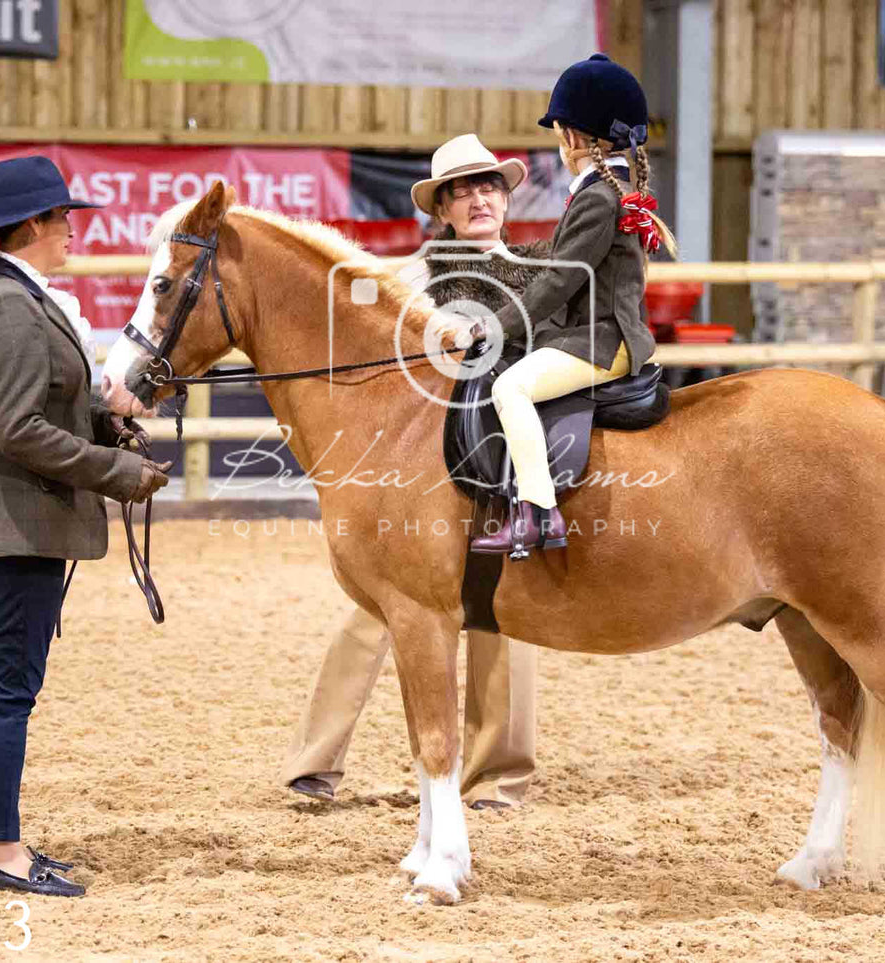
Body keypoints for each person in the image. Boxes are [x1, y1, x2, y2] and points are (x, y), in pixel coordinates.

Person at [279, 134, 544, 811]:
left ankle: (498, 774)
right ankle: (318, 756)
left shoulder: (539, 271)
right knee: (378, 609)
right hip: (424, 462)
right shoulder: (410, 277)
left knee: (501, 609)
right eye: (463, 189)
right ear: (443, 208)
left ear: (506, 195)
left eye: (489, 184)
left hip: (507, 450)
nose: (480, 197)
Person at [0, 155, 172, 896]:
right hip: (17, 511)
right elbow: (18, 428)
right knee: (9, 686)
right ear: (32, 224)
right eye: (63, 217)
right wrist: (118, 472)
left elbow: (42, 410)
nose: (72, 229)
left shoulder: (19, 297)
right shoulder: (9, 307)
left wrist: (108, 418)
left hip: (18, 510)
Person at [469, 53, 677, 556]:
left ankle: (538, 513)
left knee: (511, 388)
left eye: (559, 132)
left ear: (574, 138)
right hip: (594, 333)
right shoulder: (609, 190)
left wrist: (496, 326)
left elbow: (559, 283)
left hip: (600, 342)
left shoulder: (598, 197)